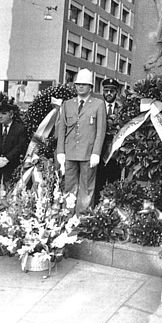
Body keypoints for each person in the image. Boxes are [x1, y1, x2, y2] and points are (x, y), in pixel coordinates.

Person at [57, 68, 106, 214]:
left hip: (88, 152)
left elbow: (100, 130)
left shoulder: (98, 104)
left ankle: (82, 218)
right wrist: (60, 151)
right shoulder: (67, 104)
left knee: (86, 187)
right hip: (70, 151)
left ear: (90, 87)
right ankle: (68, 216)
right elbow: (62, 129)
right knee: (69, 185)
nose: (80, 87)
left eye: (84, 84)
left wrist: (96, 152)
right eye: (78, 84)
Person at [0, 102, 25, 195]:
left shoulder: (20, 129)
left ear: (11, 115)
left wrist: (6, 159)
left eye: (3, 114)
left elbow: (19, 146)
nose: (0, 116)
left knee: (9, 193)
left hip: (11, 166)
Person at [94, 78, 122, 205]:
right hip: (99, 153)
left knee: (114, 184)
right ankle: (97, 209)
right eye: (106, 90)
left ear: (117, 92)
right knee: (98, 183)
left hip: (115, 155)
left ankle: (113, 210)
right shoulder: (96, 107)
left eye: (112, 91)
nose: (109, 93)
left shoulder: (122, 109)